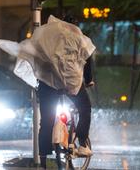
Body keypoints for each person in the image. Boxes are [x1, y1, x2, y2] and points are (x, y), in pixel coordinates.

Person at [38, 16, 95, 169]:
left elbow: (37, 59)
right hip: (70, 83)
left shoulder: (47, 39)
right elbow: (87, 60)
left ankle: (43, 159)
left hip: (47, 85)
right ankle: (82, 143)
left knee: (46, 121)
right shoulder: (80, 39)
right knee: (85, 108)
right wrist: (88, 80)